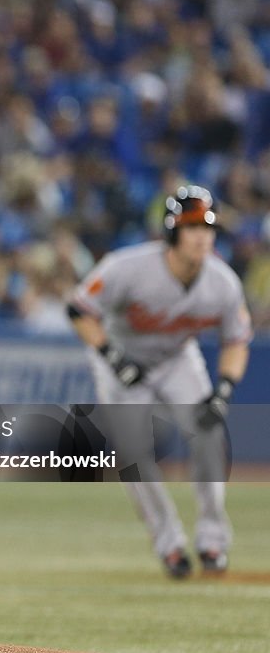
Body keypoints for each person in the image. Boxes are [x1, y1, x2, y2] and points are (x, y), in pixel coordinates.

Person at [67, 185, 252, 578]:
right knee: (134, 458)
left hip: (176, 358)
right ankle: (169, 545)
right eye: (191, 227)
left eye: (207, 227)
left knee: (209, 433)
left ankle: (212, 539)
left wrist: (223, 391)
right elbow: (79, 309)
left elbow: (237, 340)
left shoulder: (223, 282)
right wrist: (112, 356)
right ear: (171, 233)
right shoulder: (127, 267)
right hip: (121, 359)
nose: (202, 236)